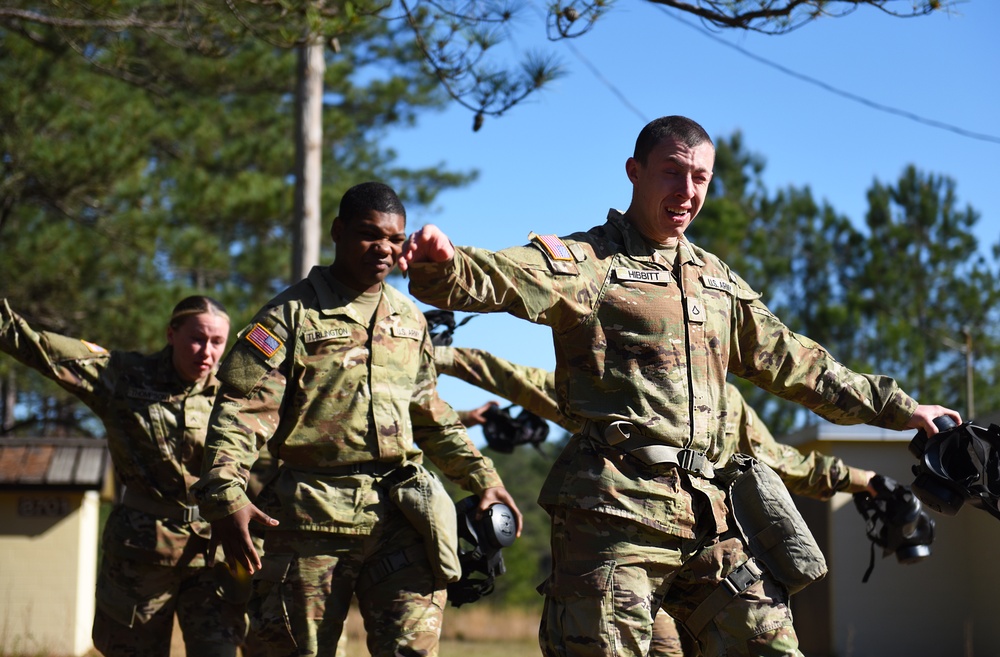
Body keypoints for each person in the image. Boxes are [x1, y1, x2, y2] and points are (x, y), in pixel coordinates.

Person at [398, 115, 960, 657]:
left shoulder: (717, 282)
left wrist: (902, 410)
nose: (687, 190)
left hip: (710, 517)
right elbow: (502, 277)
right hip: (616, 517)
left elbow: (798, 363)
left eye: (701, 178)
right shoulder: (590, 263)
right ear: (634, 171)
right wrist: (441, 267)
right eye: (672, 171)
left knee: (771, 646)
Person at [192, 181, 522, 657]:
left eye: (395, 239)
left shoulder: (410, 319)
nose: (384, 249)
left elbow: (430, 414)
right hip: (312, 522)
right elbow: (242, 410)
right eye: (370, 235)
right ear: (338, 231)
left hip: (402, 518)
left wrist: (483, 478)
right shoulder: (290, 316)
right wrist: (225, 491)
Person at [435, 344, 883, 656]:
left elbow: (783, 462)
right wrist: (435, 354)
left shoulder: (727, 403)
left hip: (713, 558)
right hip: (634, 558)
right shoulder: (619, 393)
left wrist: (865, 481)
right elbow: (512, 376)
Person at [0, 295, 247, 657]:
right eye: (197, 338)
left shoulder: (236, 394)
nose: (206, 351)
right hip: (141, 555)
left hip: (214, 555)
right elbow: (40, 348)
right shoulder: (124, 375)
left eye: (217, 342)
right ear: (171, 334)